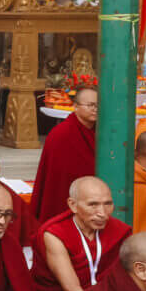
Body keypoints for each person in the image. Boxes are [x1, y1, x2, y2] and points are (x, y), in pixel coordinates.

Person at [34, 176, 128, 291]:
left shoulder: (120, 231)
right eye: (93, 205)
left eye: (108, 204)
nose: (102, 213)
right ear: (73, 205)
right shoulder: (55, 234)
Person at [31, 85, 98, 222]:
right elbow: (56, 179)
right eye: (90, 105)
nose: (95, 109)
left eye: (98, 105)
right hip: (65, 198)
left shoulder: (100, 131)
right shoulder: (61, 134)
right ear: (75, 106)